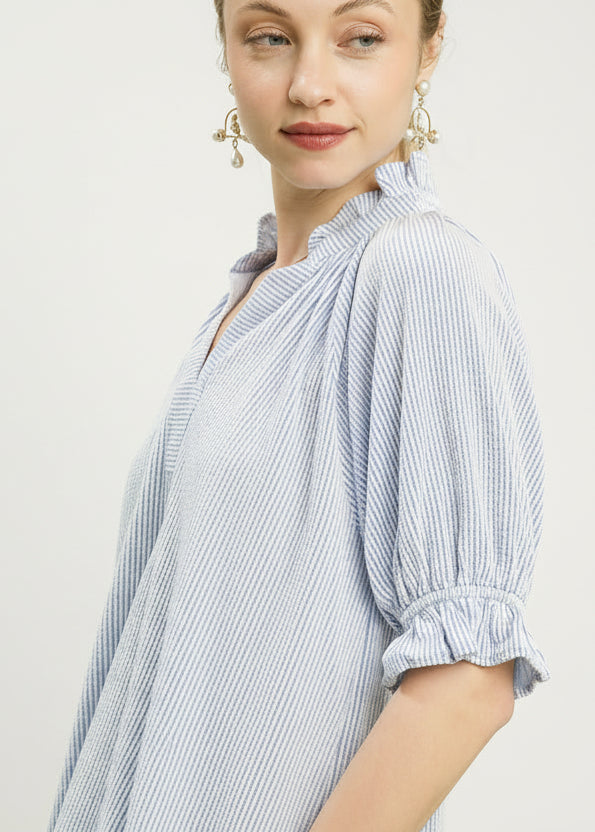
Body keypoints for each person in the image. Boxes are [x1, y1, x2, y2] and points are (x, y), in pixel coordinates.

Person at [47, 1, 552, 830]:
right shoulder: (247, 296)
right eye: (271, 37)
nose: (310, 85)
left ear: (426, 51)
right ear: (226, 48)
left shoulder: (418, 270)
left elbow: (467, 679)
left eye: (360, 38)